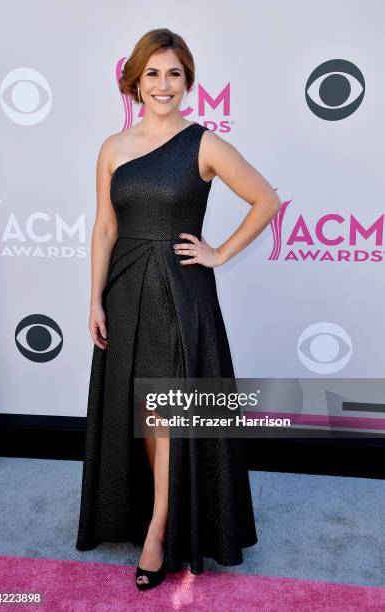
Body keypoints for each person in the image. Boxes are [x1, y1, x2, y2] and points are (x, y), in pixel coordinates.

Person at [76, 27, 281, 591]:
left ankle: (160, 529)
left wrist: (218, 252)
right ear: (135, 82)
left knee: (164, 412)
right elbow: (105, 226)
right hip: (123, 289)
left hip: (177, 291)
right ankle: (159, 509)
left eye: (174, 74)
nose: (163, 85)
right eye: (152, 74)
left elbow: (267, 200)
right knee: (137, 411)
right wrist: (94, 296)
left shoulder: (205, 144)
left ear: (187, 81)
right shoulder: (113, 148)